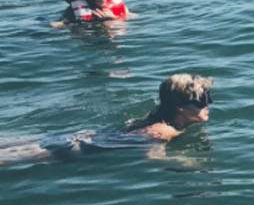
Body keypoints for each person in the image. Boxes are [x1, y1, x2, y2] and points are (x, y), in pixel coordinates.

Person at [0, 73, 214, 166]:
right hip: (76, 148)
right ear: (179, 108)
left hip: (80, 137)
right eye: (202, 100)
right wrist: (185, 162)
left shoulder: (157, 116)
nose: (208, 105)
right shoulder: (164, 130)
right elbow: (152, 156)